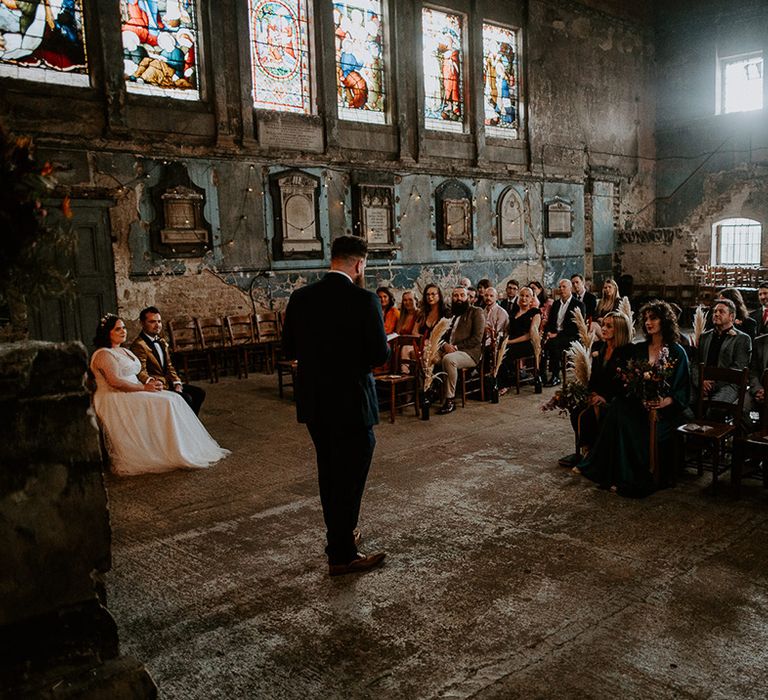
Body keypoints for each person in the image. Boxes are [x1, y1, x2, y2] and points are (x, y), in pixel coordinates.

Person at [282, 235, 389, 577]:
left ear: (333, 258)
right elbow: (378, 355)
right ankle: (343, 553)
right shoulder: (365, 300)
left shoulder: (301, 298)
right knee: (351, 477)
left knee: (329, 473)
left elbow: (288, 350)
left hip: (316, 401)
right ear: (360, 264)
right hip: (352, 402)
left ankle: (339, 540)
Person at [574, 301, 690, 497]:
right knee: (618, 407)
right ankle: (610, 471)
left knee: (625, 419)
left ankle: (628, 476)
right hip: (639, 403)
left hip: (665, 409)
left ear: (665, 321)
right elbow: (626, 381)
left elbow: (683, 391)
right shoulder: (639, 349)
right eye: (645, 319)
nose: (648, 323)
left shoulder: (677, 351)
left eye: (653, 318)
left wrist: (665, 401)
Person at [90, 315, 229, 476]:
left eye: (124, 328)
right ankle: (169, 451)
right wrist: (144, 387)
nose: (123, 331)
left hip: (134, 389)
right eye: (118, 329)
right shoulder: (104, 354)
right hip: (116, 396)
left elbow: (138, 373)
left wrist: (153, 384)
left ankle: (180, 447)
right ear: (107, 333)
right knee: (167, 403)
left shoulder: (123, 350)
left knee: (175, 398)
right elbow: (115, 382)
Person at [559, 311, 632, 467]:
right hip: (597, 394)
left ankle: (599, 455)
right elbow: (594, 377)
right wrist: (591, 393)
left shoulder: (627, 351)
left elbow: (625, 384)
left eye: (609, 326)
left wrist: (605, 398)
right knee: (577, 410)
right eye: (603, 325)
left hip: (616, 399)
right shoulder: (600, 347)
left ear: (619, 329)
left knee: (593, 414)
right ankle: (588, 450)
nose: (603, 329)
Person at [130, 306, 206, 415]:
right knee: (187, 398)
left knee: (199, 393)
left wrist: (177, 383)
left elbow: (169, 366)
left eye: (159, 321)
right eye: (152, 322)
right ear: (142, 323)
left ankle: (191, 425)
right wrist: (153, 382)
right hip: (157, 386)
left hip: (169, 383)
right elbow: (140, 371)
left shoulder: (161, 341)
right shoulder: (139, 345)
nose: (157, 325)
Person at [692, 298, 751, 406]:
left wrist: (713, 385)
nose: (716, 314)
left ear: (731, 317)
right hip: (703, 382)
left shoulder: (742, 339)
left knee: (716, 407)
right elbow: (695, 363)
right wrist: (700, 382)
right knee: (684, 402)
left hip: (728, 384)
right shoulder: (704, 337)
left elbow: (738, 368)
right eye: (715, 311)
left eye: (721, 312)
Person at [437, 286, 485, 415]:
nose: (459, 299)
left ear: (468, 297)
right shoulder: (449, 313)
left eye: (462, 295)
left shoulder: (476, 312)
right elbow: (440, 335)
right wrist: (444, 345)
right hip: (449, 349)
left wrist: (455, 348)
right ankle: (430, 391)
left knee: (448, 359)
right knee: (427, 357)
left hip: (469, 353)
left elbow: (477, 338)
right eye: (455, 296)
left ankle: (450, 399)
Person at [498, 286, 541, 393]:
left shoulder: (535, 312)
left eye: (527, 296)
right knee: (493, 351)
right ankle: (499, 379)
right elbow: (508, 329)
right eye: (522, 295)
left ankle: (504, 384)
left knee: (504, 354)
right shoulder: (514, 311)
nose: (524, 298)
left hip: (527, 343)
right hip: (510, 341)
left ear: (532, 298)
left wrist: (509, 342)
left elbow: (530, 335)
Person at [543, 279, 585, 386]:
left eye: (564, 287)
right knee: (541, 343)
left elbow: (576, 327)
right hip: (554, 334)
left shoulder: (578, 304)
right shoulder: (556, 304)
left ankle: (555, 376)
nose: (561, 289)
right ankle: (542, 375)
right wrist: (548, 332)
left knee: (553, 344)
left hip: (570, 336)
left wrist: (556, 335)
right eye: (560, 287)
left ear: (570, 288)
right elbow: (550, 321)